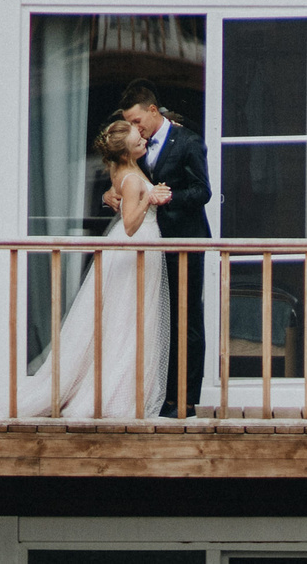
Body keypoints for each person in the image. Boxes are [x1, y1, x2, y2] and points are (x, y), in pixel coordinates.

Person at [0, 117, 170, 419]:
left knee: (124, 320)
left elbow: (117, 197)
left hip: (136, 249)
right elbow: (129, 225)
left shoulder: (121, 169)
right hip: (135, 246)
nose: (143, 139)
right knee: (128, 321)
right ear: (126, 152)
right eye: (136, 139)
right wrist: (149, 198)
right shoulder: (130, 179)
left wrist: (118, 196)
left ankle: (122, 388)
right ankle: (117, 395)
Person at [111, 81, 211, 416]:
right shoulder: (133, 146)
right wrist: (108, 195)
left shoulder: (188, 140)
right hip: (149, 244)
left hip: (185, 240)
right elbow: (124, 181)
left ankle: (185, 400)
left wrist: (167, 198)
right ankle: (156, 393)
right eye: (130, 122)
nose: (134, 128)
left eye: (138, 121)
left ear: (154, 111)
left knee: (187, 320)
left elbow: (202, 191)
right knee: (154, 320)